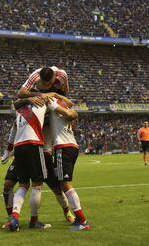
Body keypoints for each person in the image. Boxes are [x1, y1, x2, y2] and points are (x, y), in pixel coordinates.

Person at [7, 96, 76, 231]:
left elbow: (67, 106)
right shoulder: (36, 112)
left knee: (54, 188)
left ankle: (67, 212)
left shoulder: (50, 117)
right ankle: (29, 219)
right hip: (36, 150)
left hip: (41, 154)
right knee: (34, 186)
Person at [48, 97, 90, 231]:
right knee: (63, 183)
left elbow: (69, 114)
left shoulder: (52, 102)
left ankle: (82, 221)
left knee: (65, 184)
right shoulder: (64, 104)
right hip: (72, 146)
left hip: (62, 146)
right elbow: (71, 110)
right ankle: (79, 219)